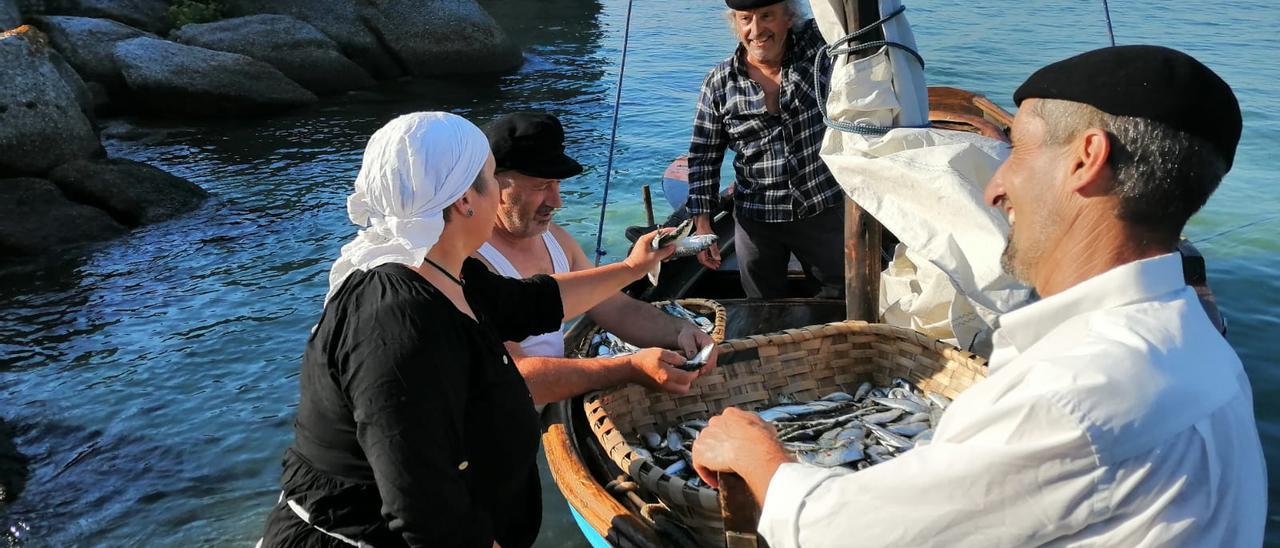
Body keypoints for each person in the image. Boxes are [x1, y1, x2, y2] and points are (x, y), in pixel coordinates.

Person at [690, 46, 1266, 546]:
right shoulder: (1195, 341)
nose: (994, 186)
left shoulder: (1075, 392)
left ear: (1086, 159)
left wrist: (757, 452)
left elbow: (838, 531)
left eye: (1015, 149)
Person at [258, 112, 679, 547]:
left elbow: (538, 300)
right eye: (493, 178)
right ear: (464, 200)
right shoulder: (397, 323)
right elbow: (425, 509)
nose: (498, 191)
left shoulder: (446, 272)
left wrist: (633, 267)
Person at [478, 112, 719, 409]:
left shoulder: (556, 240)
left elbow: (613, 306)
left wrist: (680, 331)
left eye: (557, 184)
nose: (557, 201)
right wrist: (628, 368)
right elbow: (515, 377)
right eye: (541, 186)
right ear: (494, 186)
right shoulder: (473, 263)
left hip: (549, 406)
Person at [686, 0, 846, 299]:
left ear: (788, 17)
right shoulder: (719, 83)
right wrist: (702, 223)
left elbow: (843, 17)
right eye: (746, 19)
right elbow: (704, 156)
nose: (756, 30)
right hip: (756, 221)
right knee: (761, 307)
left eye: (767, 16)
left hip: (822, 210)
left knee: (839, 301)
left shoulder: (818, 51)